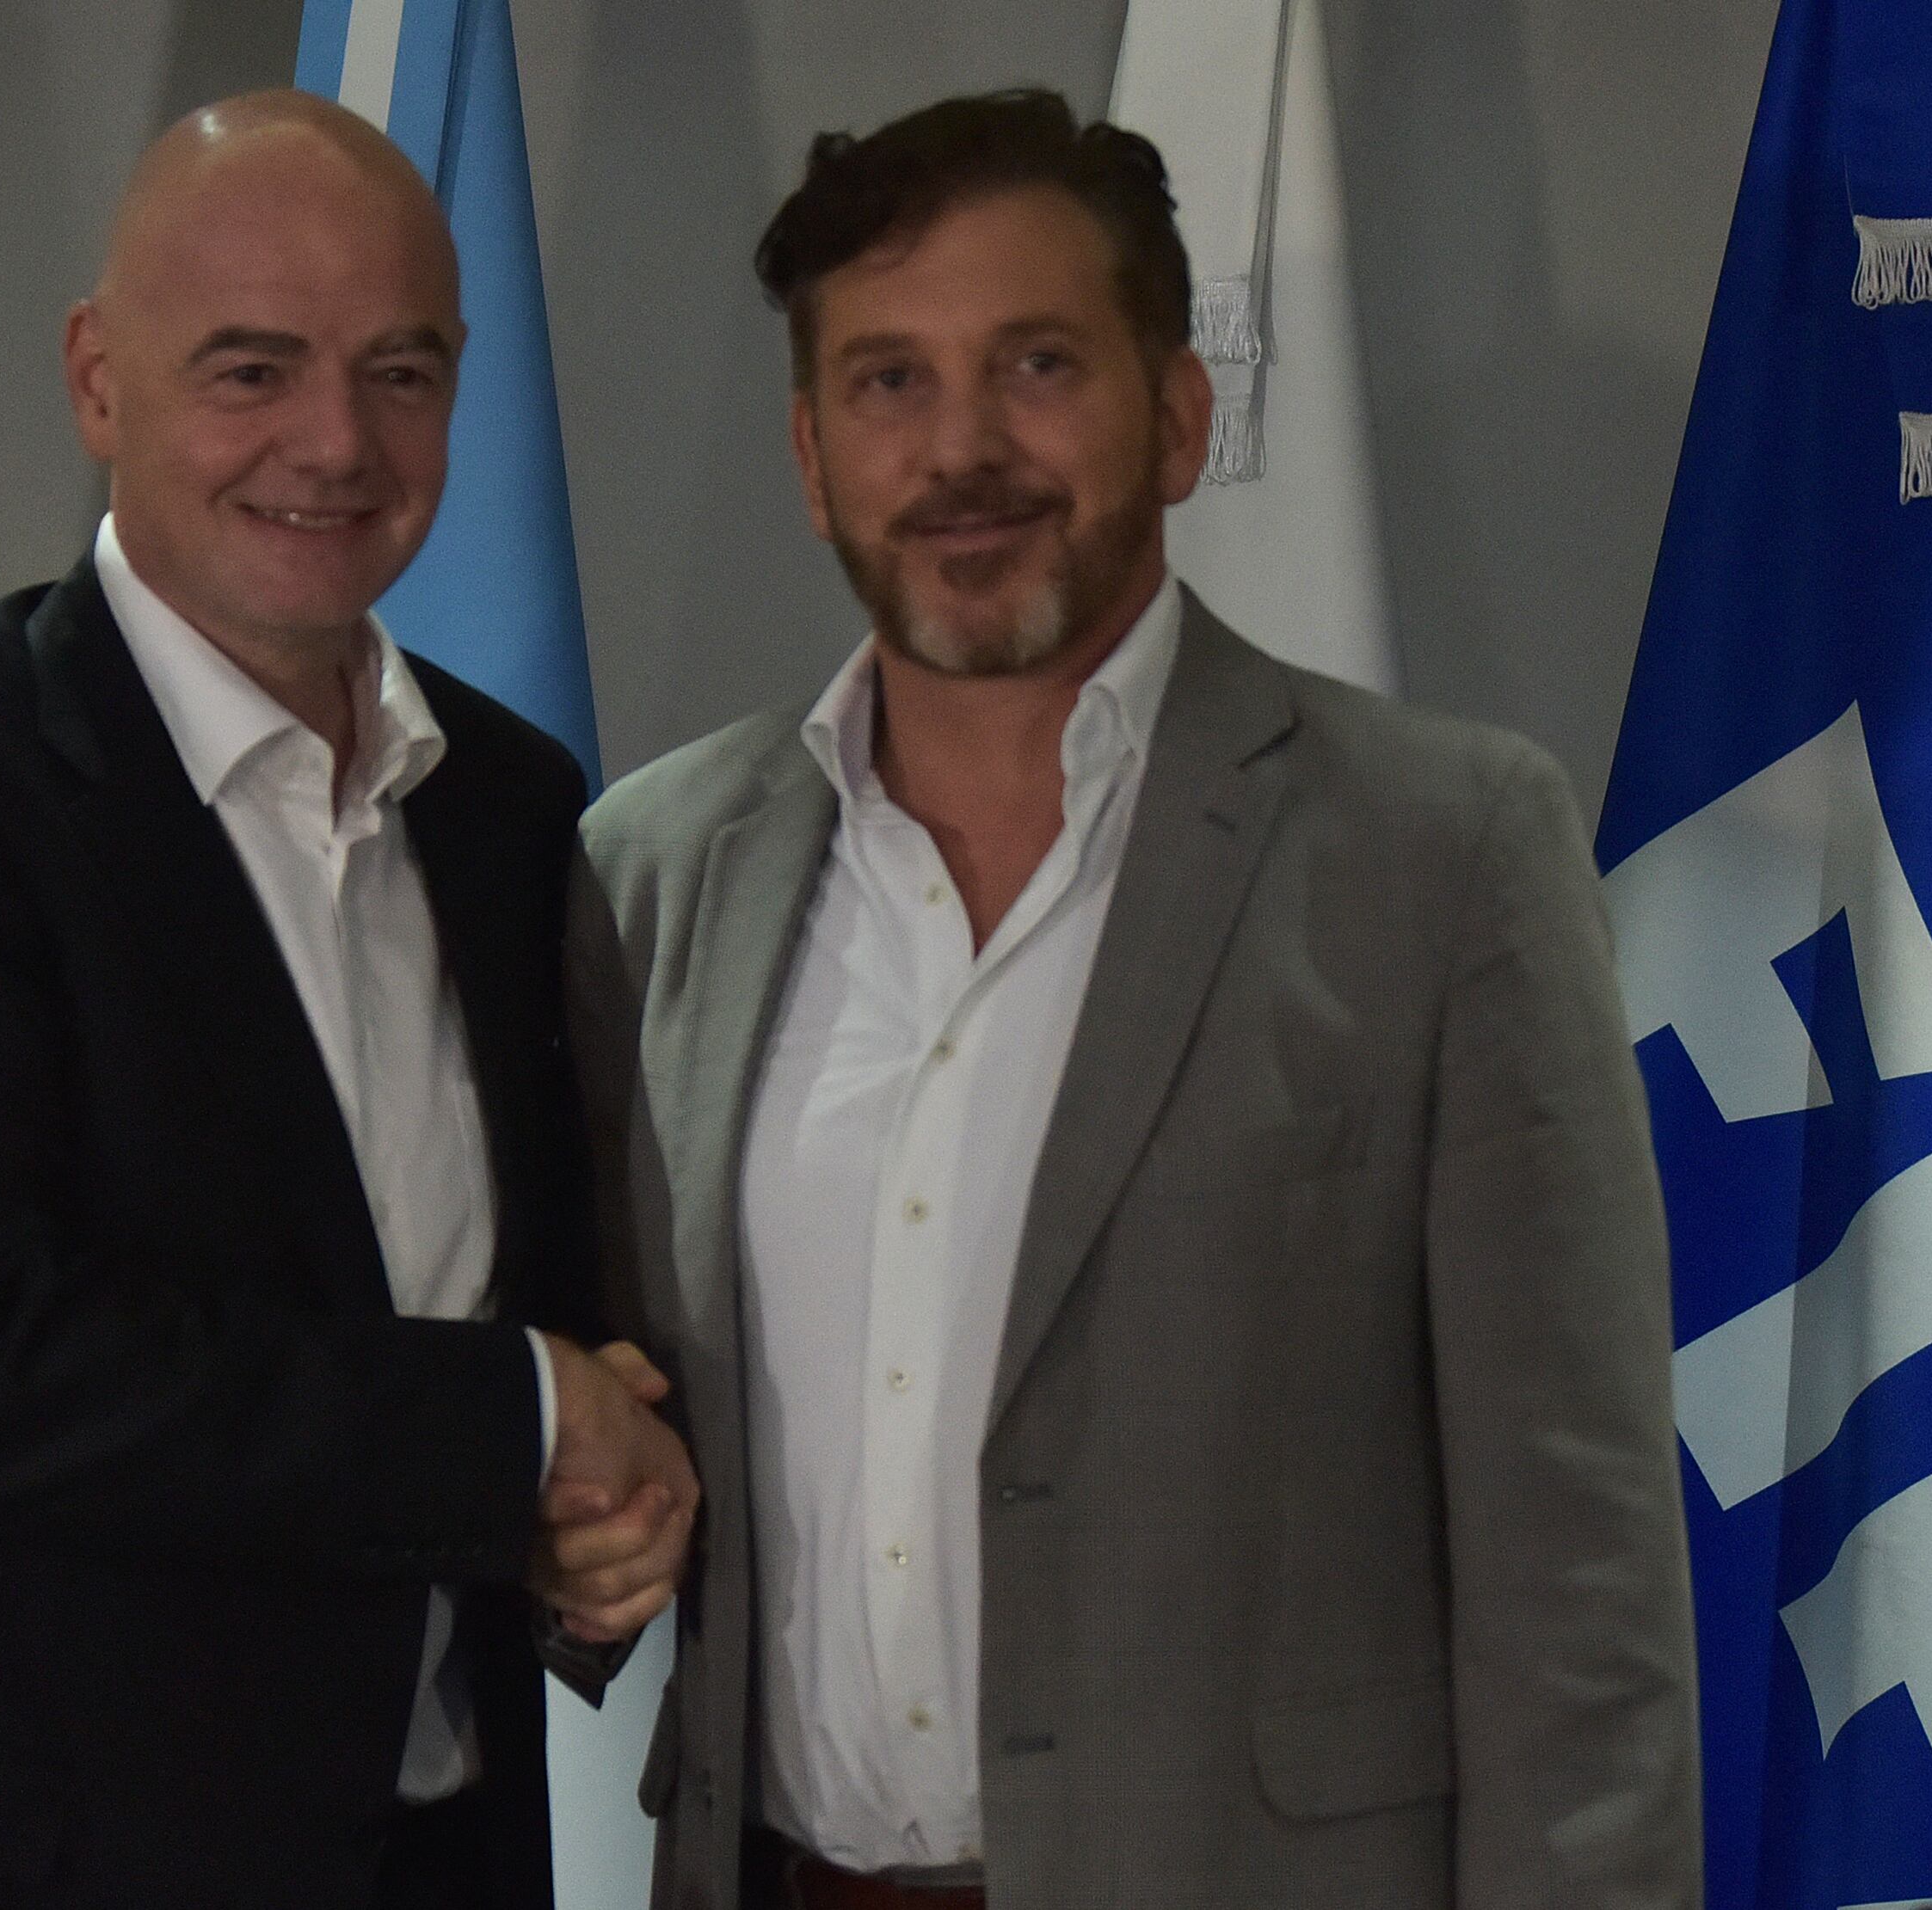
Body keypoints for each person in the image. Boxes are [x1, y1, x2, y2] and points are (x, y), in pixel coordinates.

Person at [569, 89, 1701, 1910]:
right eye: (887, 381)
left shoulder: (1444, 853)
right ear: (810, 456)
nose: (961, 449)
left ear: (1176, 416)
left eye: (1036, 365)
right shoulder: (653, 872)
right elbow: (606, 1459)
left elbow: (1577, 1588)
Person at [0, 93, 692, 1910]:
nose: (335, 439)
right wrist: (514, 1426)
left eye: (399, 371)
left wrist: (590, 1514)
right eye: (251, 369)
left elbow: (518, 1315)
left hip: (433, 1858)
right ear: (96, 378)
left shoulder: (509, 806)